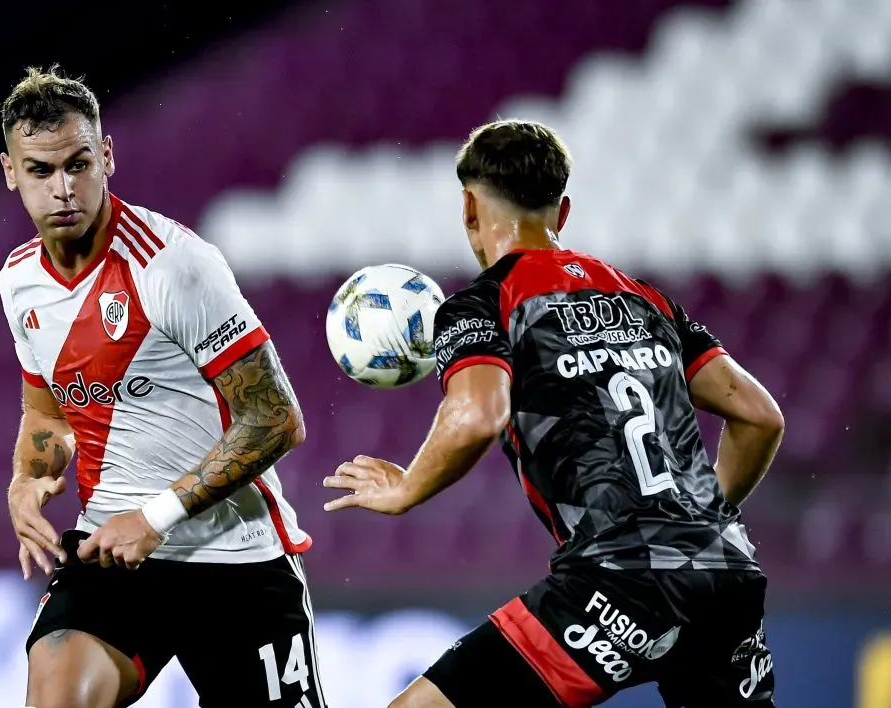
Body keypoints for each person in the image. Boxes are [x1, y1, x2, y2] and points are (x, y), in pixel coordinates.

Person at [323, 119, 784, 708]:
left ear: (469, 207)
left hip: (616, 581)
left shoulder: (484, 303)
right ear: (561, 212)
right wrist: (693, 525)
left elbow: (478, 415)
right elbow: (759, 416)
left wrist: (407, 488)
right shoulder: (644, 296)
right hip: (726, 573)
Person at [0, 65, 327, 708]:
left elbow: (277, 417)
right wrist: (29, 476)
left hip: (236, 559)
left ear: (107, 157)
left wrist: (155, 518)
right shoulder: (18, 281)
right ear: (11, 172)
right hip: (111, 558)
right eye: (40, 171)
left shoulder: (174, 265)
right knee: (57, 693)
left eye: (78, 164)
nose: (63, 189)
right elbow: (47, 412)